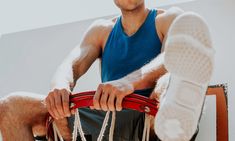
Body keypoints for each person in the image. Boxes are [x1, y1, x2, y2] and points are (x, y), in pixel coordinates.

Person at [0, 0, 214, 140]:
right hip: (106, 120)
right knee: (12, 107)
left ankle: (175, 121)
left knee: (169, 79)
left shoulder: (167, 19)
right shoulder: (101, 30)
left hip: (149, 116)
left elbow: (177, 54)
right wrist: (60, 87)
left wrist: (130, 82)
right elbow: (72, 63)